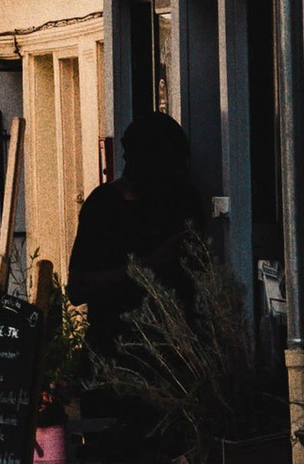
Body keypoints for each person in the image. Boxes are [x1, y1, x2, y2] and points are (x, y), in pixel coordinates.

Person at [67, 107, 210, 395]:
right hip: (116, 359)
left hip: (173, 361)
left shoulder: (183, 202)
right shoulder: (105, 206)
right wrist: (148, 266)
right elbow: (77, 288)